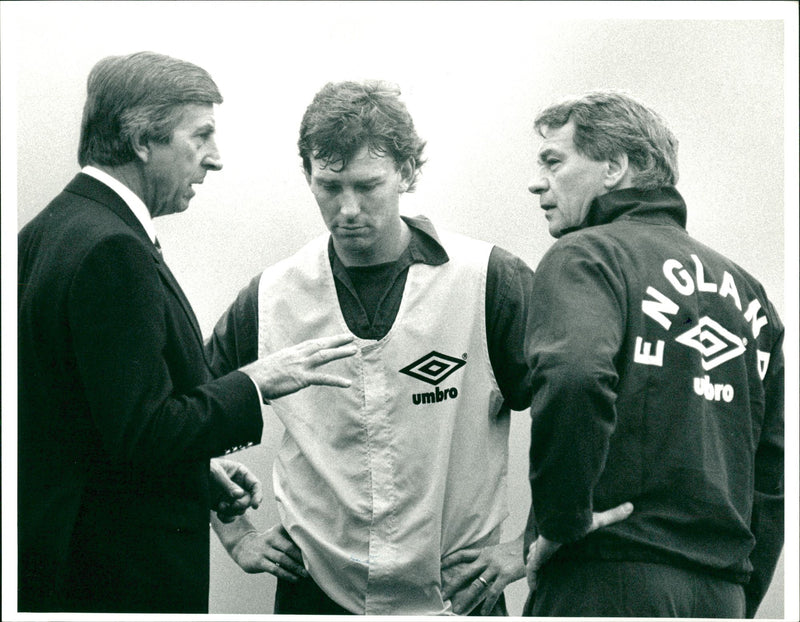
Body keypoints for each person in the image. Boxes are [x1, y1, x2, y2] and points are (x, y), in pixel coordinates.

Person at [17, 51, 357, 613]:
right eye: (200, 136)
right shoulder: (112, 249)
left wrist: (192, 473)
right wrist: (255, 381)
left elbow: (89, 426)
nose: (215, 159)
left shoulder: (46, 231)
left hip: (56, 565)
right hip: (116, 578)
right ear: (142, 140)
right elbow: (144, 432)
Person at [207, 79, 537, 616]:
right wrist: (236, 534)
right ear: (308, 176)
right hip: (316, 591)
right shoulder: (273, 295)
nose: (349, 209)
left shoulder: (486, 280)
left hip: (455, 595)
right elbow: (183, 412)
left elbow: (572, 409)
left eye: (368, 185)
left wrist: (530, 541)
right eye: (330, 186)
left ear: (407, 172)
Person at [522, 90, 784, 618]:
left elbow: (573, 376)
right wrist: (739, 594)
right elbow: (775, 471)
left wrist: (562, 522)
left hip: (605, 579)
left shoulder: (587, 254)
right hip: (721, 595)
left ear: (614, 167)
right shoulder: (751, 294)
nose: (537, 181)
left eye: (554, 161)